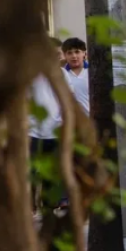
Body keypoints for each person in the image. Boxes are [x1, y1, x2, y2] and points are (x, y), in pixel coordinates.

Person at [29, 38, 74, 218]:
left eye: (57, 54)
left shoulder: (63, 74)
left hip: (55, 131)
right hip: (32, 132)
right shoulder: (30, 73)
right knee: (30, 171)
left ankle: (49, 210)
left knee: (51, 174)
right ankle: (30, 207)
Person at [62, 37, 89, 114]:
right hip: (70, 122)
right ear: (64, 55)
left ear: (84, 53)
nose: (74, 56)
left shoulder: (92, 72)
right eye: (69, 53)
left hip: (91, 120)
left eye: (77, 52)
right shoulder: (62, 74)